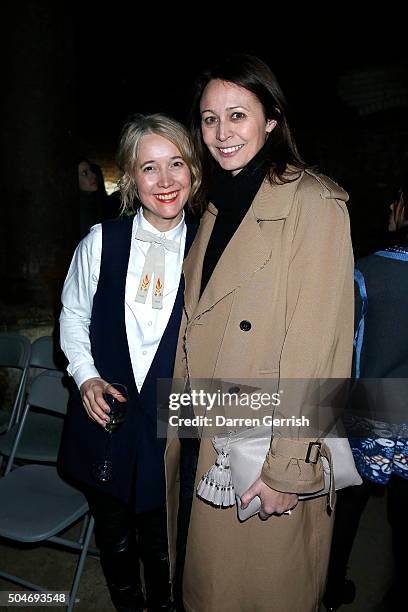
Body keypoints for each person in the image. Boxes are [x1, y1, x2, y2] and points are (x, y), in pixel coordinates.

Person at [165, 54, 354, 612]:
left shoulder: (314, 205)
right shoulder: (215, 209)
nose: (221, 134)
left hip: (264, 450)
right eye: (208, 119)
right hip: (208, 437)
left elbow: (318, 352)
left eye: (237, 115)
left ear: (271, 119)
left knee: (261, 593)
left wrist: (287, 471)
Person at [59, 114, 201, 612]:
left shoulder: (211, 246)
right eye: (149, 168)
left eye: (176, 164)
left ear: (194, 170)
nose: (165, 181)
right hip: (108, 416)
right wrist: (86, 376)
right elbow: (73, 315)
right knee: (115, 537)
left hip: (173, 420)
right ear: (129, 177)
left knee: (165, 543)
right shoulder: (101, 241)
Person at [323, 176, 408, 611]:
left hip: (368, 411)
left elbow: (344, 351)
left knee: (347, 508)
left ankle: (332, 587)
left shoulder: (364, 271)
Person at [78, 157, 111, 238]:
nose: (93, 175)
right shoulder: (81, 211)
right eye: (85, 173)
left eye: (91, 171)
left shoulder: (96, 203)